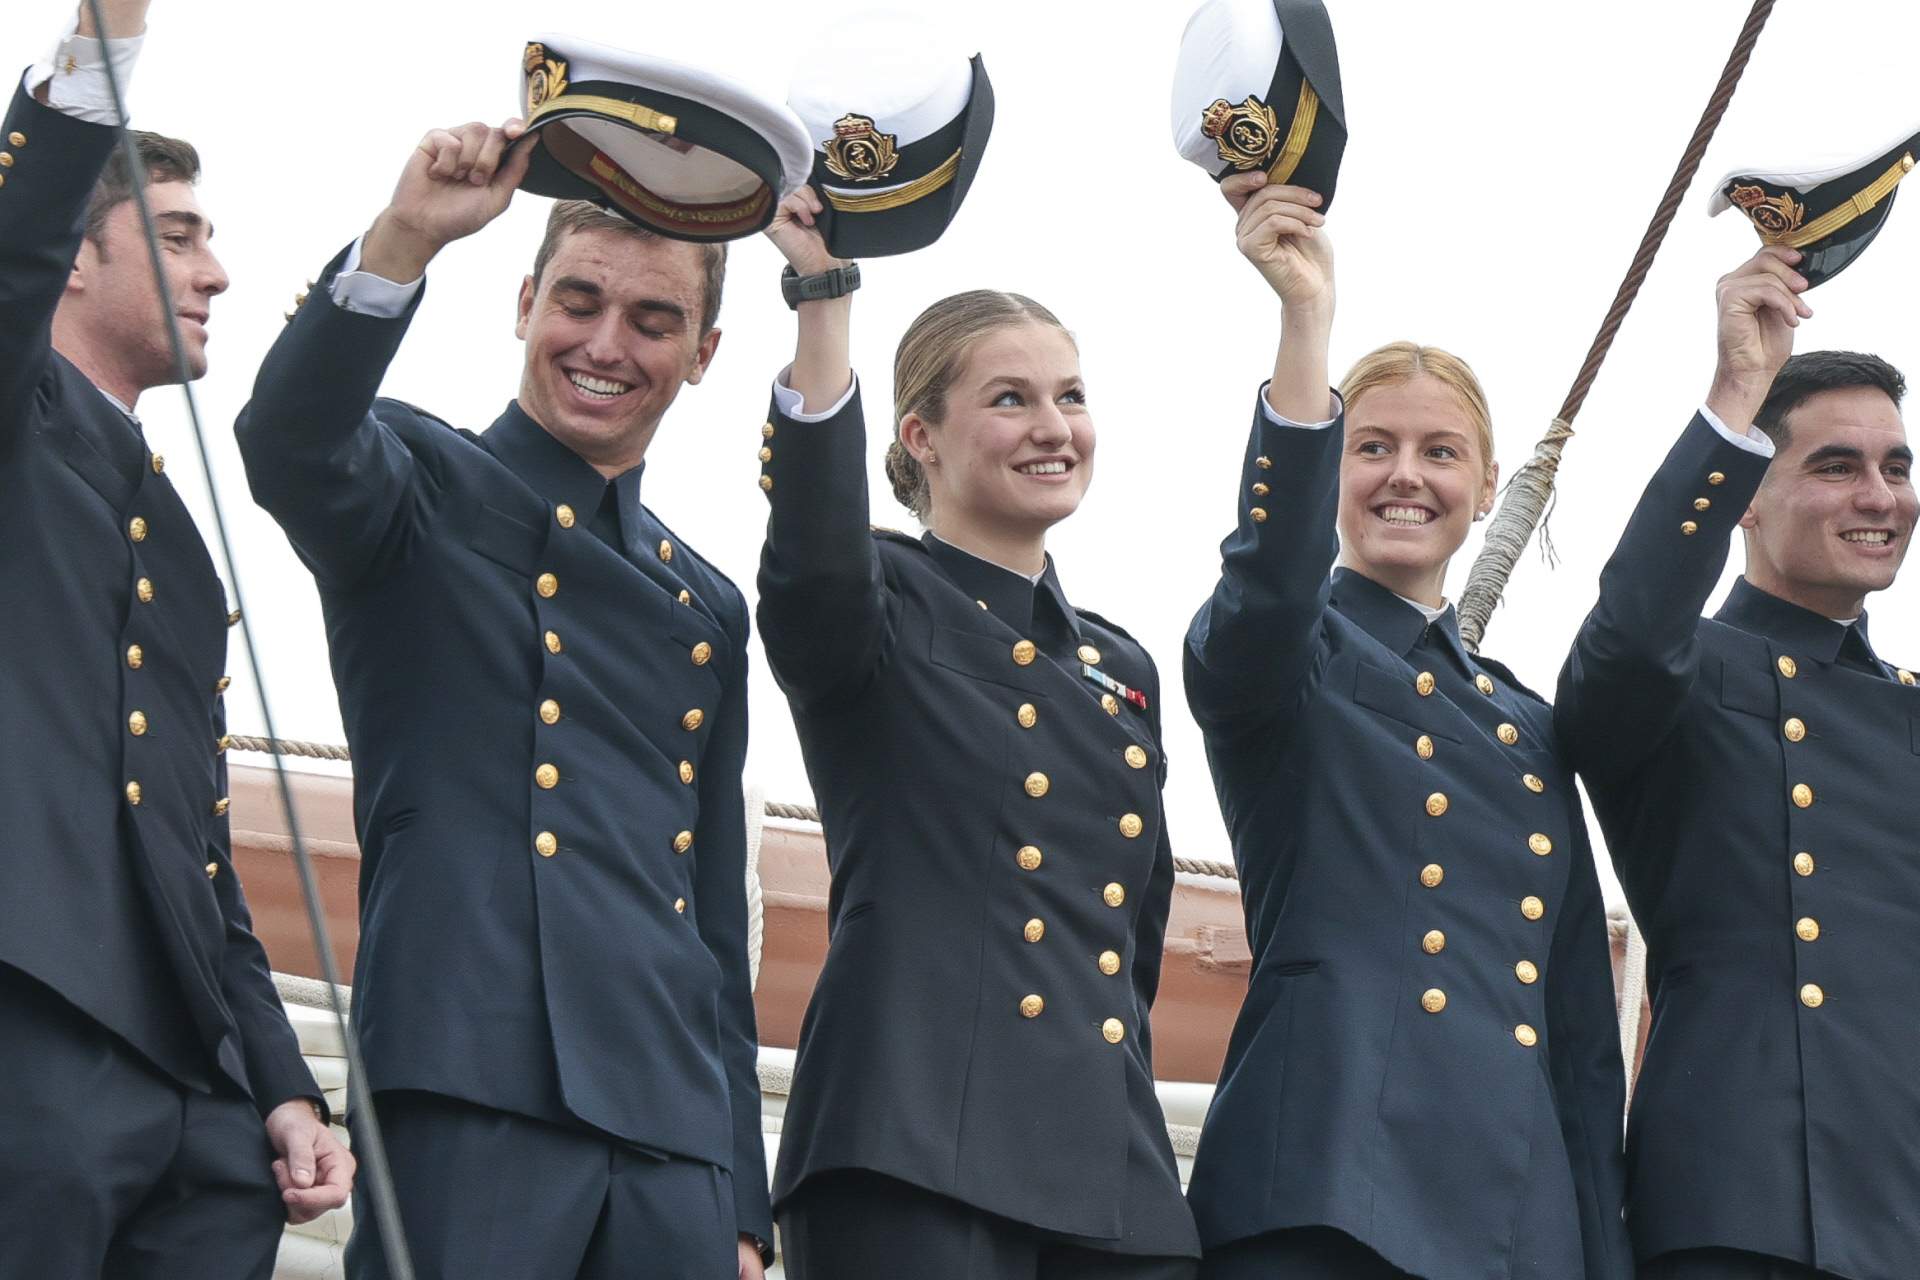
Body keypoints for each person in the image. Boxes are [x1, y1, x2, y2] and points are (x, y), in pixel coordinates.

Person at [235, 117, 769, 1278]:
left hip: (672, 1128)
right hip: (470, 1071)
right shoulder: (418, 484)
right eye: (578, 300)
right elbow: (287, 438)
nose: (606, 343)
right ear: (523, 300)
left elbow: (710, 912)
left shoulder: (710, 603)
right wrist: (406, 236)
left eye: (653, 318)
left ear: (706, 349)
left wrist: (738, 1194)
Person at [1182, 172, 1630, 1279]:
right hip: (1325, 1192)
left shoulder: (1528, 725)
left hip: (1512, 1222)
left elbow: (1575, 1030)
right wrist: (1304, 324)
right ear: (1330, 469)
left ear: (1487, 490)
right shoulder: (1290, 654)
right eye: (1372, 444)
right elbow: (1270, 582)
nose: (1404, 475)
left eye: (1440, 452)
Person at [754, 185, 1201, 1279]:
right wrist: (822, 298)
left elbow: (1126, 942)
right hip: (912, 1144)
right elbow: (812, 549)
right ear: (920, 436)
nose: (1054, 427)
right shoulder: (875, 600)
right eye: (1010, 398)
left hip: (1105, 1166)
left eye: (1071, 394)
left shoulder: (1118, 664)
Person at [0, 2, 351, 1276]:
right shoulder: (20, 422)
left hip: (198, 1112)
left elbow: (192, 840)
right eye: (179, 235)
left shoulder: (186, 551)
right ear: (73, 261)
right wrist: (106, 41)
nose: (217, 272)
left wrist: (282, 1084)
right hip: (34, 1026)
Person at [1556, 245, 1918, 1280]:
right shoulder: (1687, 671)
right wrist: (1734, 399)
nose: (1880, 495)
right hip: (1743, 1205)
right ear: (1743, 500)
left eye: (1897, 465)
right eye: (1836, 465)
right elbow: (1626, 642)